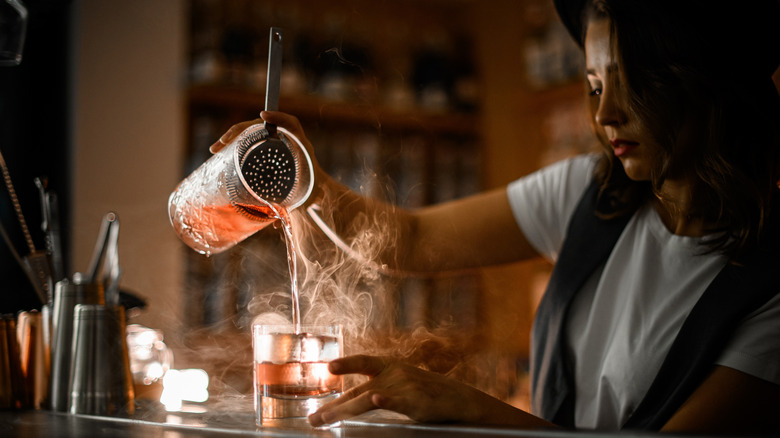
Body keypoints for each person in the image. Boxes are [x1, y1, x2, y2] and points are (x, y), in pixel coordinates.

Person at [212, 0, 780, 433]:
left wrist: (472, 408)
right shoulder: (590, 194)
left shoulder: (767, 290)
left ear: (707, 85)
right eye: (594, 85)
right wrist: (304, 178)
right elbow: (411, 241)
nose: (605, 113)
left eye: (632, 86)